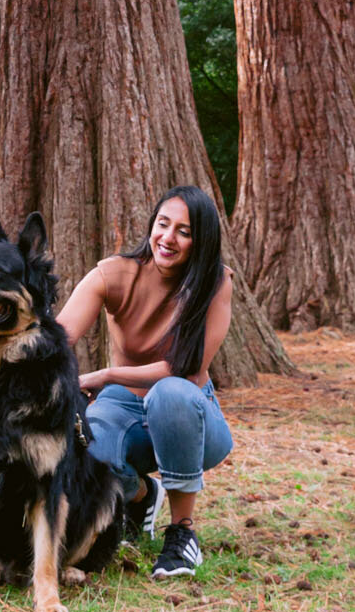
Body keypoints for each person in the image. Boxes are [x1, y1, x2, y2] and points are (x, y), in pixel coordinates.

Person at [56, 184, 234, 579]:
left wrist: (106, 374)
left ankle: (182, 533)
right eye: (163, 224)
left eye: (183, 231)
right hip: (121, 406)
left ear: (200, 240)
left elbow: (185, 368)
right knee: (91, 450)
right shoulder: (115, 273)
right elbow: (57, 338)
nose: (167, 238)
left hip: (190, 413)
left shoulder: (215, 283)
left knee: (170, 393)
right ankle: (140, 496)